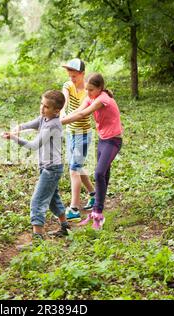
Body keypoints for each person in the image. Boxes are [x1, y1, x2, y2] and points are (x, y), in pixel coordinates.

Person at [3, 90, 71, 243]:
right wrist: (17, 128)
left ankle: (37, 239)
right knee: (53, 198)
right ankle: (65, 226)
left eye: (46, 107)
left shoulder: (52, 125)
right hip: (47, 167)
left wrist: (14, 138)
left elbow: (34, 145)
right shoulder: (44, 118)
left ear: (56, 111)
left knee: (37, 201)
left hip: (51, 169)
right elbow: (29, 125)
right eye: (42, 104)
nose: (42, 108)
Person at [61, 73, 123, 230]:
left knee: (99, 173)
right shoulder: (91, 97)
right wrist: (58, 118)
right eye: (87, 89)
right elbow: (77, 111)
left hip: (113, 141)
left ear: (100, 88)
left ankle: (97, 213)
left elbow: (83, 114)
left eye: (91, 90)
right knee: (104, 174)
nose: (88, 93)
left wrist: (59, 122)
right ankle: (98, 207)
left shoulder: (103, 99)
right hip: (103, 141)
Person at [61, 58, 96, 222]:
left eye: (74, 76)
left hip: (83, 133)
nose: (72, 79)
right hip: (70, 132)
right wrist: (60, 113)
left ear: (82, 74)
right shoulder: (68, 86)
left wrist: (61, 120)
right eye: (69, 75)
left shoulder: (88, 91)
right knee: (77, 166)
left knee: (74, 169)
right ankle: (93, 194)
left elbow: (82, 113)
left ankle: (74, 207)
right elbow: (64, 100)